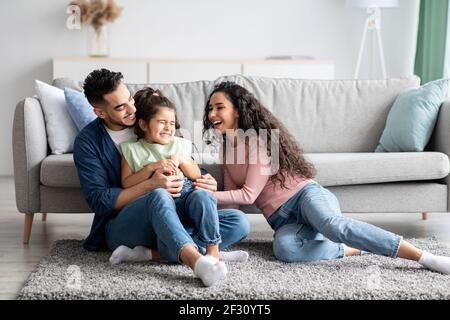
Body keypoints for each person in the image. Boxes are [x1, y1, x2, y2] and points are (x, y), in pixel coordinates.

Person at [202, 81, 450, 274]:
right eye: (210, 108)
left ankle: (424, 257)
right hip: (282, 219)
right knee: (285, 249)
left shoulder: (258, 140)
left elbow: (248, 195)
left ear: (238, 109)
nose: (212, 113)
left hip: (304, 196)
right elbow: (234, 206)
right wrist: (199, 200)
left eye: (219, 107)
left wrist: (208, 194)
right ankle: (347, 248)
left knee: (333, 226)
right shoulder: (226, 149)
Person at [73, 69, 250, 287]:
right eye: (121, 107)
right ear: (100, 112)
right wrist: (150, 184)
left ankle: (153, 252)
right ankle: (196, 261)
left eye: (129, 99)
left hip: (174, 213)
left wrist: (204, 180)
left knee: (238, 221)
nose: (132, 110)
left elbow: (183, 164)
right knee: (159, 195)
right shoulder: (88, 143)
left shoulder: (151, 116)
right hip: (128, 223)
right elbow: (100, 201)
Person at [119, 87, 248, 262]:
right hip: (161, 211)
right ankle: (196, 252)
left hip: (187, 203)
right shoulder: (132, 149)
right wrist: (150, 168)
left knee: (236, 219)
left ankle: (211, 251)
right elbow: (126, 183)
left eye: (171, 123)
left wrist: (181, 160)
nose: (168, 127)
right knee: (163, 201)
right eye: (162, 122)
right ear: (143, 124)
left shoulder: (180, 145)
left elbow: (196, 175)